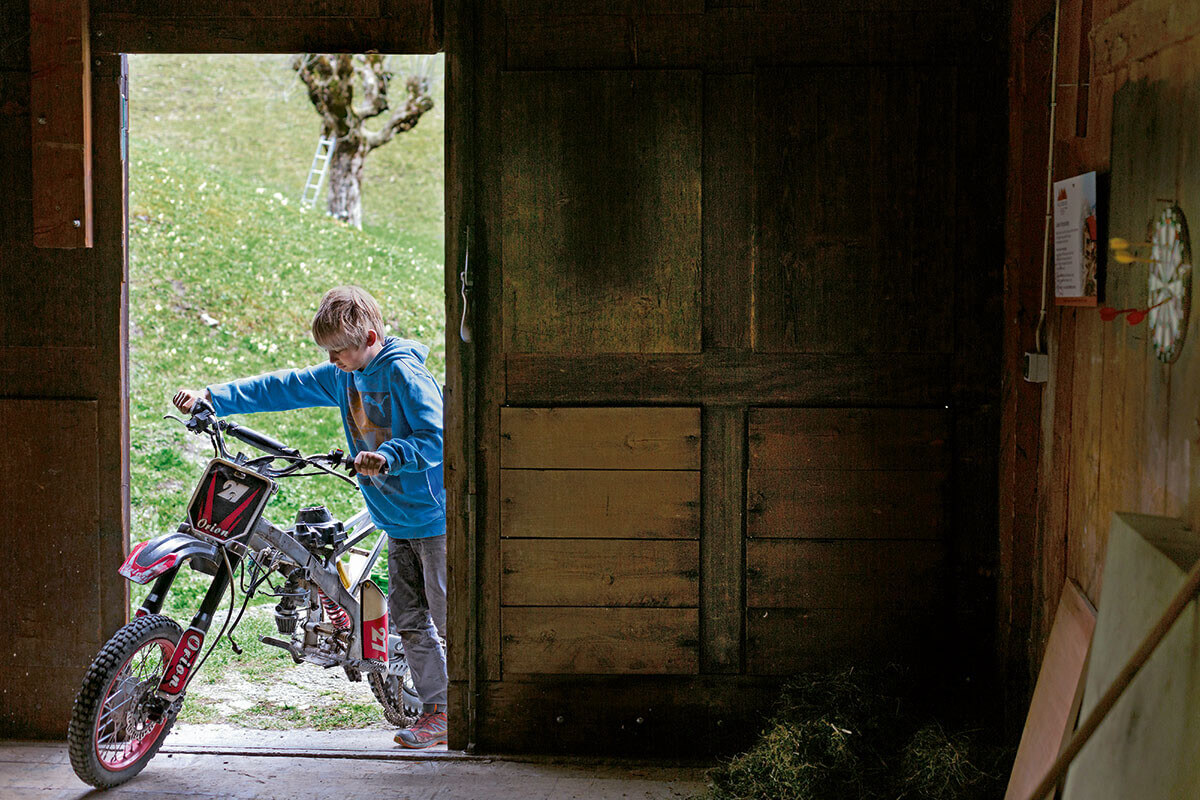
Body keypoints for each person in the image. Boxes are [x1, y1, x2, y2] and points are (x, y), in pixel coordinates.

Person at [172, 285, 448, 749]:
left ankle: (478, 707)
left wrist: (390, 456)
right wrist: (213, 398)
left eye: (339, 350)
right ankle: (440, 711)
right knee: (407, 616)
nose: (333, 359)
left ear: (371, 337)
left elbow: (437, 436)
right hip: (398, 520)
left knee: (448, 616)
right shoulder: (345, 375)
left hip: (433, 519)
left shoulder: (403, 373)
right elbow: (286, 386)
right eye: (329, 352)